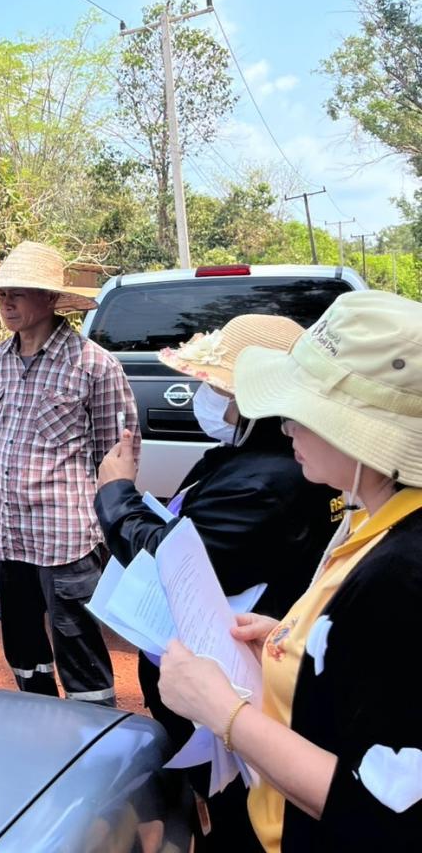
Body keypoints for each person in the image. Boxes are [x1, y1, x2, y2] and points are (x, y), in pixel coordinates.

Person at [157, 290, 422, 851]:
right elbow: (370, 679)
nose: (285, 430)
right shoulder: (372, 519)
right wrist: (287, 639)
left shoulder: (403, 573)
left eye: (300, 412)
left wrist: (221, 711)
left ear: (359, 432)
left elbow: (379, 810)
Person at [95, 313, 344, 851]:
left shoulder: (268, 479)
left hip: (232, 691)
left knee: (236, 809)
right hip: (242, 666)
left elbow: (179, 559)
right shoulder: (251, 460)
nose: (204, 397)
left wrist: (117, 495)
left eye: (216, 387)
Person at [0, 241, 135, 707]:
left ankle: (94, 749)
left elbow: (115, 457)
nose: (7, 303)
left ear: (52, 299)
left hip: (66, 537)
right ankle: (35, 732)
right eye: (2, 295)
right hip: (6, 531)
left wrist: (110, 532)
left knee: (78, 649)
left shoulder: (94, 365)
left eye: (20, 293)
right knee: (22, 648)